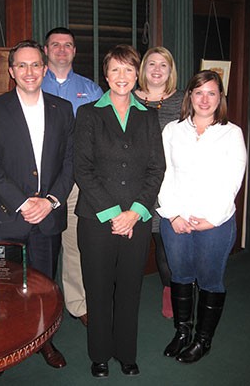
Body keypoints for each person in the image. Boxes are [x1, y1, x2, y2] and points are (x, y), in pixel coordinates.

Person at [0, 40, 75, 369]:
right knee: (4, 287)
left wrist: (49, 201)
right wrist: (23, 203)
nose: (29, 71)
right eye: (22, 65)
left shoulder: (62, 109)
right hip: (6, 217)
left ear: (45, 69)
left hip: (48, 217)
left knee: (44, 286)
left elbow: (70, 163)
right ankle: (2, 348)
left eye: (36, 65)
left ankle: (44, 341)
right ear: (11, 71)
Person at [74, 44, 164, 378]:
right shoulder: (88, 114)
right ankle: (99, 354)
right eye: (115, 69)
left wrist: (136, 212)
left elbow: (157, 169)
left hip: (137, 221)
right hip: (97, 220)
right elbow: (82, 170)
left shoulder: (148, 116)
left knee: (129, 288)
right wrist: (114, 213)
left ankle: (126, 352)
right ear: (106, 74)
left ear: (136, 74)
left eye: (128, 69)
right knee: (98, 288)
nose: (122, 76)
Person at [157, 70, 247, 363]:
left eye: (211, 92)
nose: (204, 99)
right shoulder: (173, 130)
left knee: (210, 280)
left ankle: (202, 340)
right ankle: (182, 332)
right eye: (199, 92)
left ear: (220, 97)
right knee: (180, 276)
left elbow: (233, 180)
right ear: (190, 97)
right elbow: (164, 175)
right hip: (177, 220)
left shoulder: (231, 133)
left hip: (214, 223)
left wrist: (212, 218)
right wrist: (172, 215)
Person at [42, 27, 103, 326]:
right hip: (40, 179)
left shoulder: (90, 90)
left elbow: (103, 134)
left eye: (68, 45)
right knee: (40, 246)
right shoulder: (33, 83)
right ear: (46, 49)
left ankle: (78, 305)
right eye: (56, 45)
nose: (62, 50)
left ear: (75, 51)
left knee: (75, 243)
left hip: (77, 179)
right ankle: (39, 308)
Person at [134, 46, 184, 319]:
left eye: (163, 65)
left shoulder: (182, 101)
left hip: (169, 187)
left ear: (170, 71)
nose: (156, 69)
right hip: (135, 186)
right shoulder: (129, 97)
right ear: (143, 69)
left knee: (166, 247)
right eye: (151, 63)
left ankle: (170, 290)